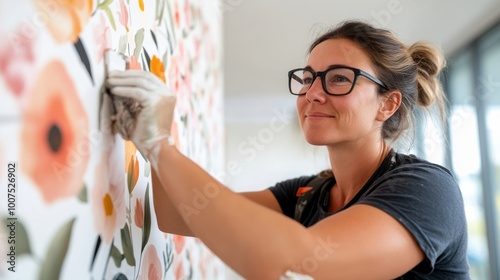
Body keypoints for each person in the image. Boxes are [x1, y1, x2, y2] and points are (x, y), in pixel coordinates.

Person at [106, 20, 470, 279]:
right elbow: (178, 214)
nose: (312, 93)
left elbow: (296, 263)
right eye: (308, 78)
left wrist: (160, 146)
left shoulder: (428, 190)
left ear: (386, 105)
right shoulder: (307, 194)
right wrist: (152, 140)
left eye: (340, 78)